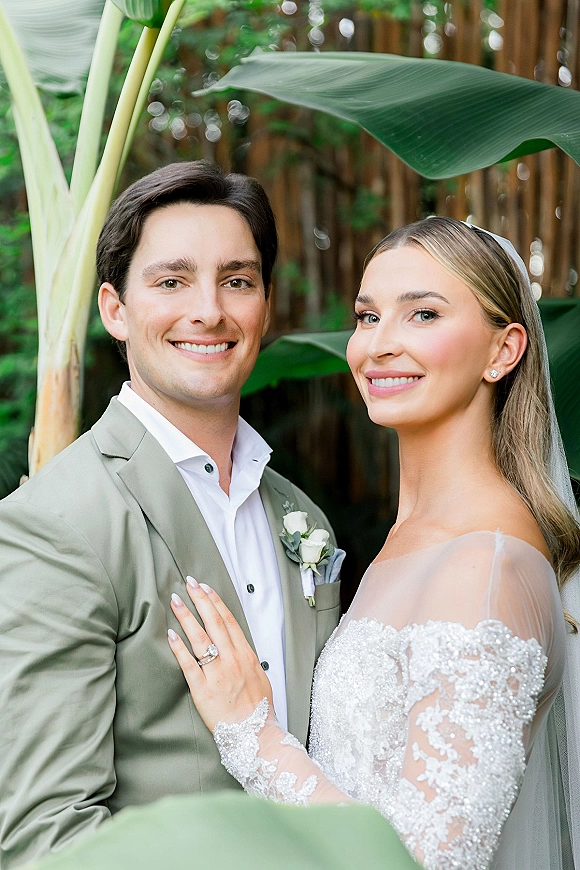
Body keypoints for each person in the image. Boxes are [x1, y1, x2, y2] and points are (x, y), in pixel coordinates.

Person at [168, 217, 580, 870]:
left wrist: (251, 734)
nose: (379, 345)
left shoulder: (486, 565)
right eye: (367, 317)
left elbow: (424, 863)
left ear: (504, 351)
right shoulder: (413, 537)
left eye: (423, 315)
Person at [0, 161, 343, 868]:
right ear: (114, 309)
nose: (209, 310)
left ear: (266, 307)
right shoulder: (55, 522)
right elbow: (44, 838)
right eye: (171, 281)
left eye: (237, 281)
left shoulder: (302, 517)